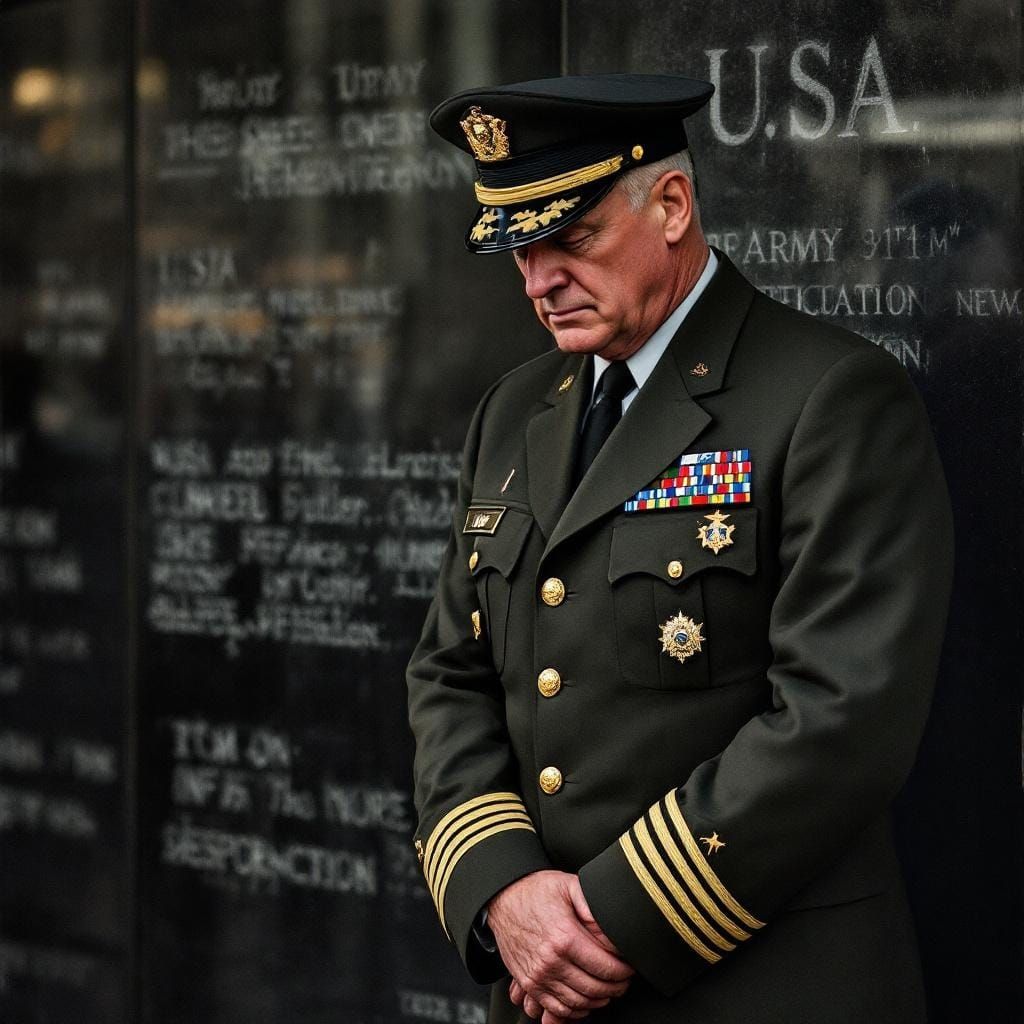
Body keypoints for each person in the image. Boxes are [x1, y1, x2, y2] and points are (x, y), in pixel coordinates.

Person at [406, 73, 954, 1024]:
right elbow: (451, 671)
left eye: (570, 240)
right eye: (517, 251)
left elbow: (841, 718)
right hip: (542, 989)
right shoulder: (514, 411)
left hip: (762, 983)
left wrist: (609, 920)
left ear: (669, 205)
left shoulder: (830, 399)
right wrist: (505, 893)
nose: (539, 282)